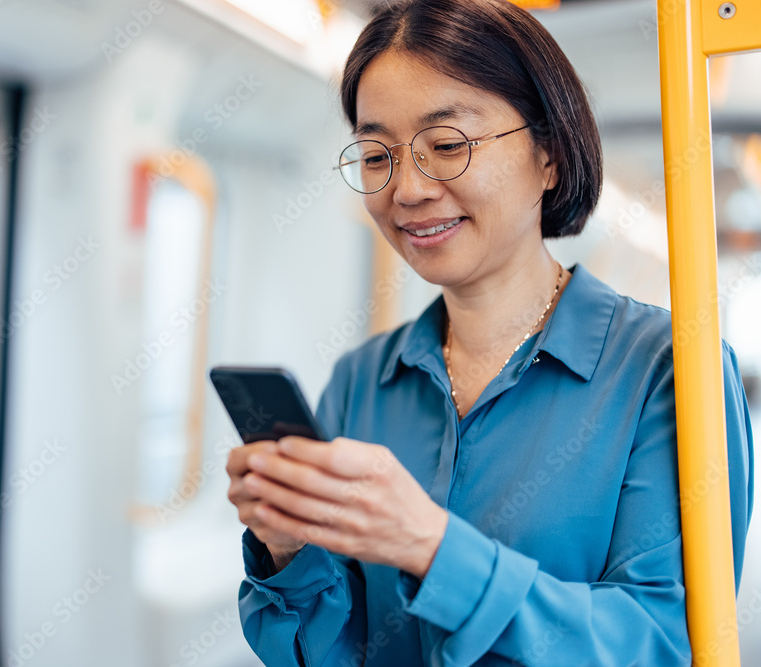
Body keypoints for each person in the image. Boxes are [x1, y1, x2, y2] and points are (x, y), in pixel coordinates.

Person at [224, 0, 755, 664]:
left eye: (446, 146)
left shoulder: (670, 371)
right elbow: (339, 652)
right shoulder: (361, 381)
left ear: (550, 155)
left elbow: (661, 642)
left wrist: (432, 547)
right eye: (375, 155)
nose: (407, 189)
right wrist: (289, 547)